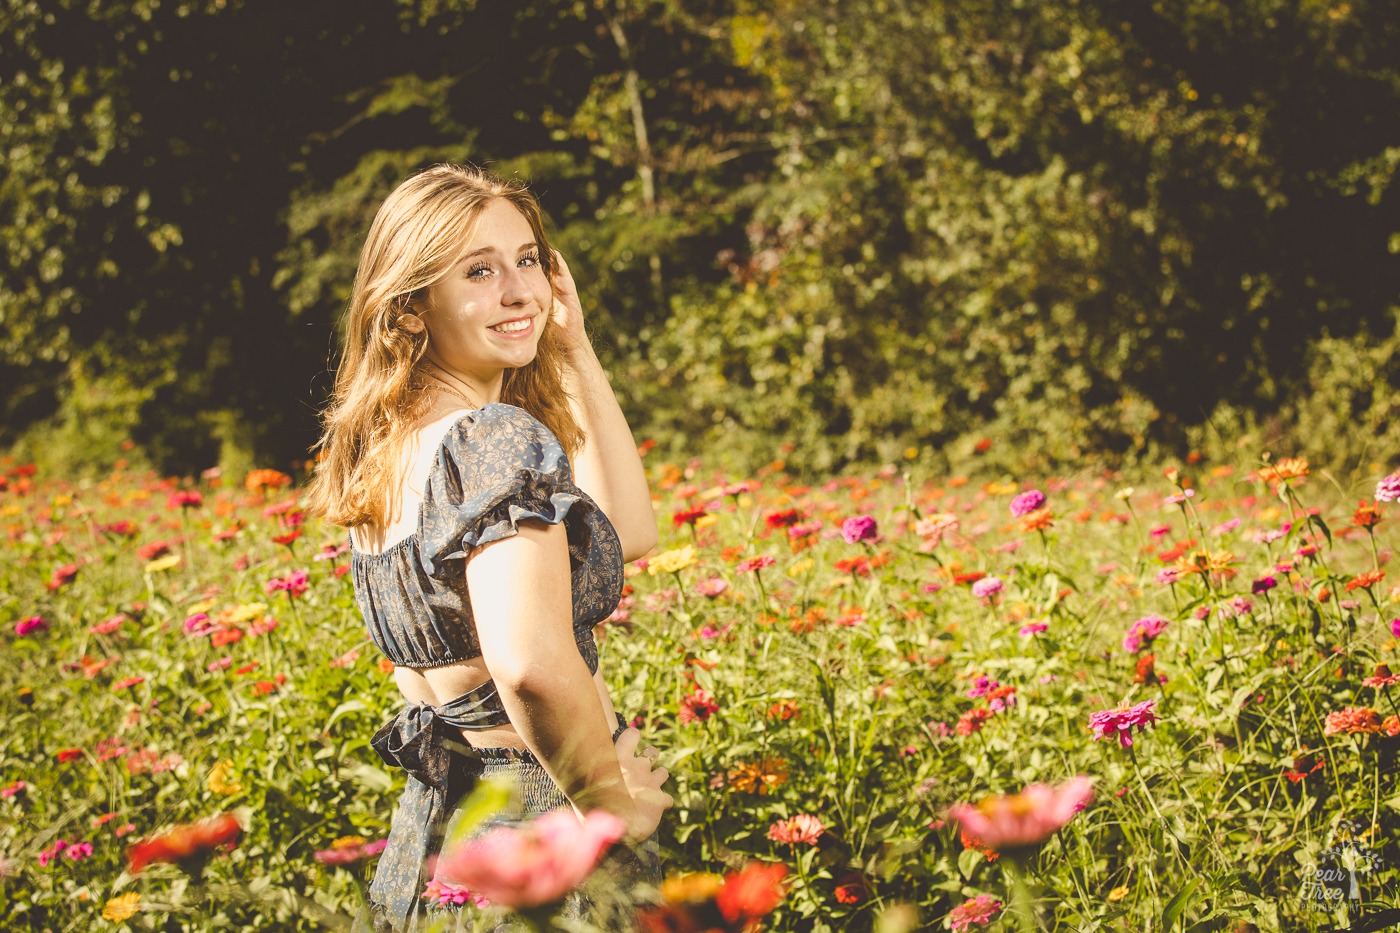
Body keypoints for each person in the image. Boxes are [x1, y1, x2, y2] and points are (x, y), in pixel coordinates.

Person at [306, 163, 672, 931]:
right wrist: (611, 809)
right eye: (479, 270)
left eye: (528, 259)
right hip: (545, 819)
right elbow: (529, 664)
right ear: (409, 310)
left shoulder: (393, 452)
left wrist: (572, 350)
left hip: (450, 825)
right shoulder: (492, 440)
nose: (520, 290)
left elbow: (628, 533)